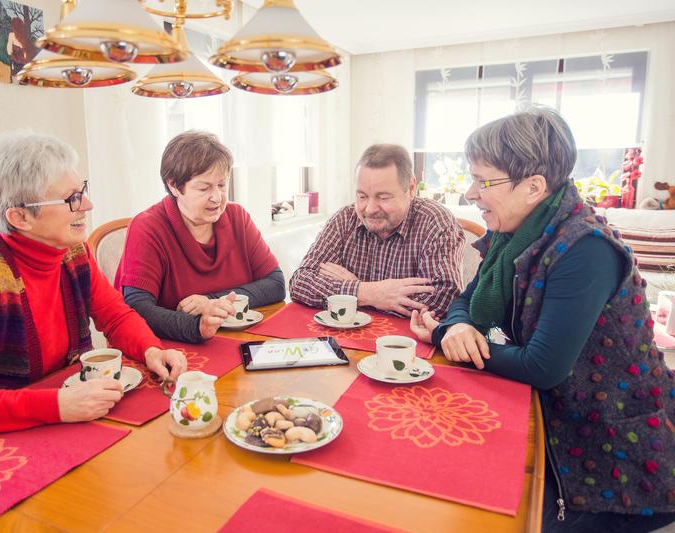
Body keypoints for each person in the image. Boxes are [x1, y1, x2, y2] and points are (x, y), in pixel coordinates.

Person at [409, 108, 675, 531]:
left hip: (609, 458)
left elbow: (542, 367)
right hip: (548, 419)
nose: (470, 193)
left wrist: (452, 338)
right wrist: (454, 327)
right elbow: (466, 298)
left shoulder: (585, 248)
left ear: (534, 187)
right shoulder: (513, 231)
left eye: (482, 180)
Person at [0, 131, 186, 439]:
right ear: (20, 217)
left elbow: (114, 315)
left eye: (81, 190)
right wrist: (56, 405)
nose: (87, 204)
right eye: (71, 198)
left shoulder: (71, 251)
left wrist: (150, 349)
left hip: (47, 416)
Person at [116, 131, 284, 344]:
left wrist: (211, 302)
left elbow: (276, 284)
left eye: (222, 185)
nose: (217, 197)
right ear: (174, 186)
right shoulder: (148, 227)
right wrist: (196, 325)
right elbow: (137, 308)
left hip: (232, 340)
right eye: (204, 188)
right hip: (173, 346)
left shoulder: (237, 217)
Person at [289, 144, 465, 317]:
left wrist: (353, 289)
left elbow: (444, 298)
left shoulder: (435, 222)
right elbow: (300, 282)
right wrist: (367, 292)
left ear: (411, 189)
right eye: (362, 196)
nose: (370, 209)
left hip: (406, 342)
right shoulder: (345, 219)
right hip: (348, 339)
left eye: (383, 197)